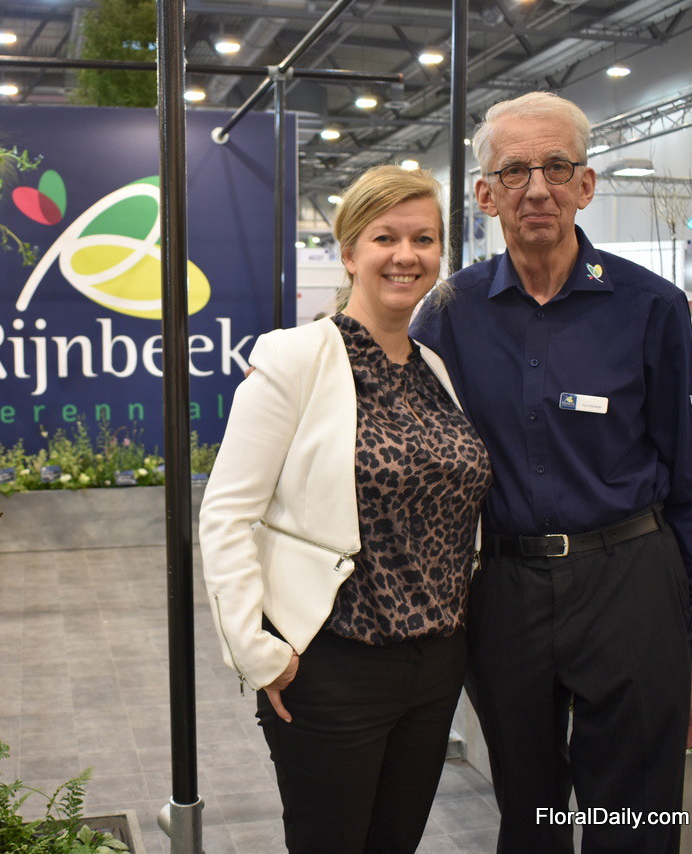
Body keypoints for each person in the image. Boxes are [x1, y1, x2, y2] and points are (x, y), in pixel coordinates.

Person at [410, 91, 692, 853]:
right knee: (529, 815)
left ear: (586, 185)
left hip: (630, 583)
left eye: (557, 168)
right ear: (485, 194)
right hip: (504, 594)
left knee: (635, 817)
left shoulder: (651, 307)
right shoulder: (448, 314)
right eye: (514, 171)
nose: (537, 189)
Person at [199, 164, 490, 854]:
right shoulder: (296, 358)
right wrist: (257, 653)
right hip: (335, 666)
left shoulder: (435, 369)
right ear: (350, 252)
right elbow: (226, 514)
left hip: (436, 665)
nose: (406, 255)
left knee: (395, 842)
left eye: (424, 239)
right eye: (385, 237)